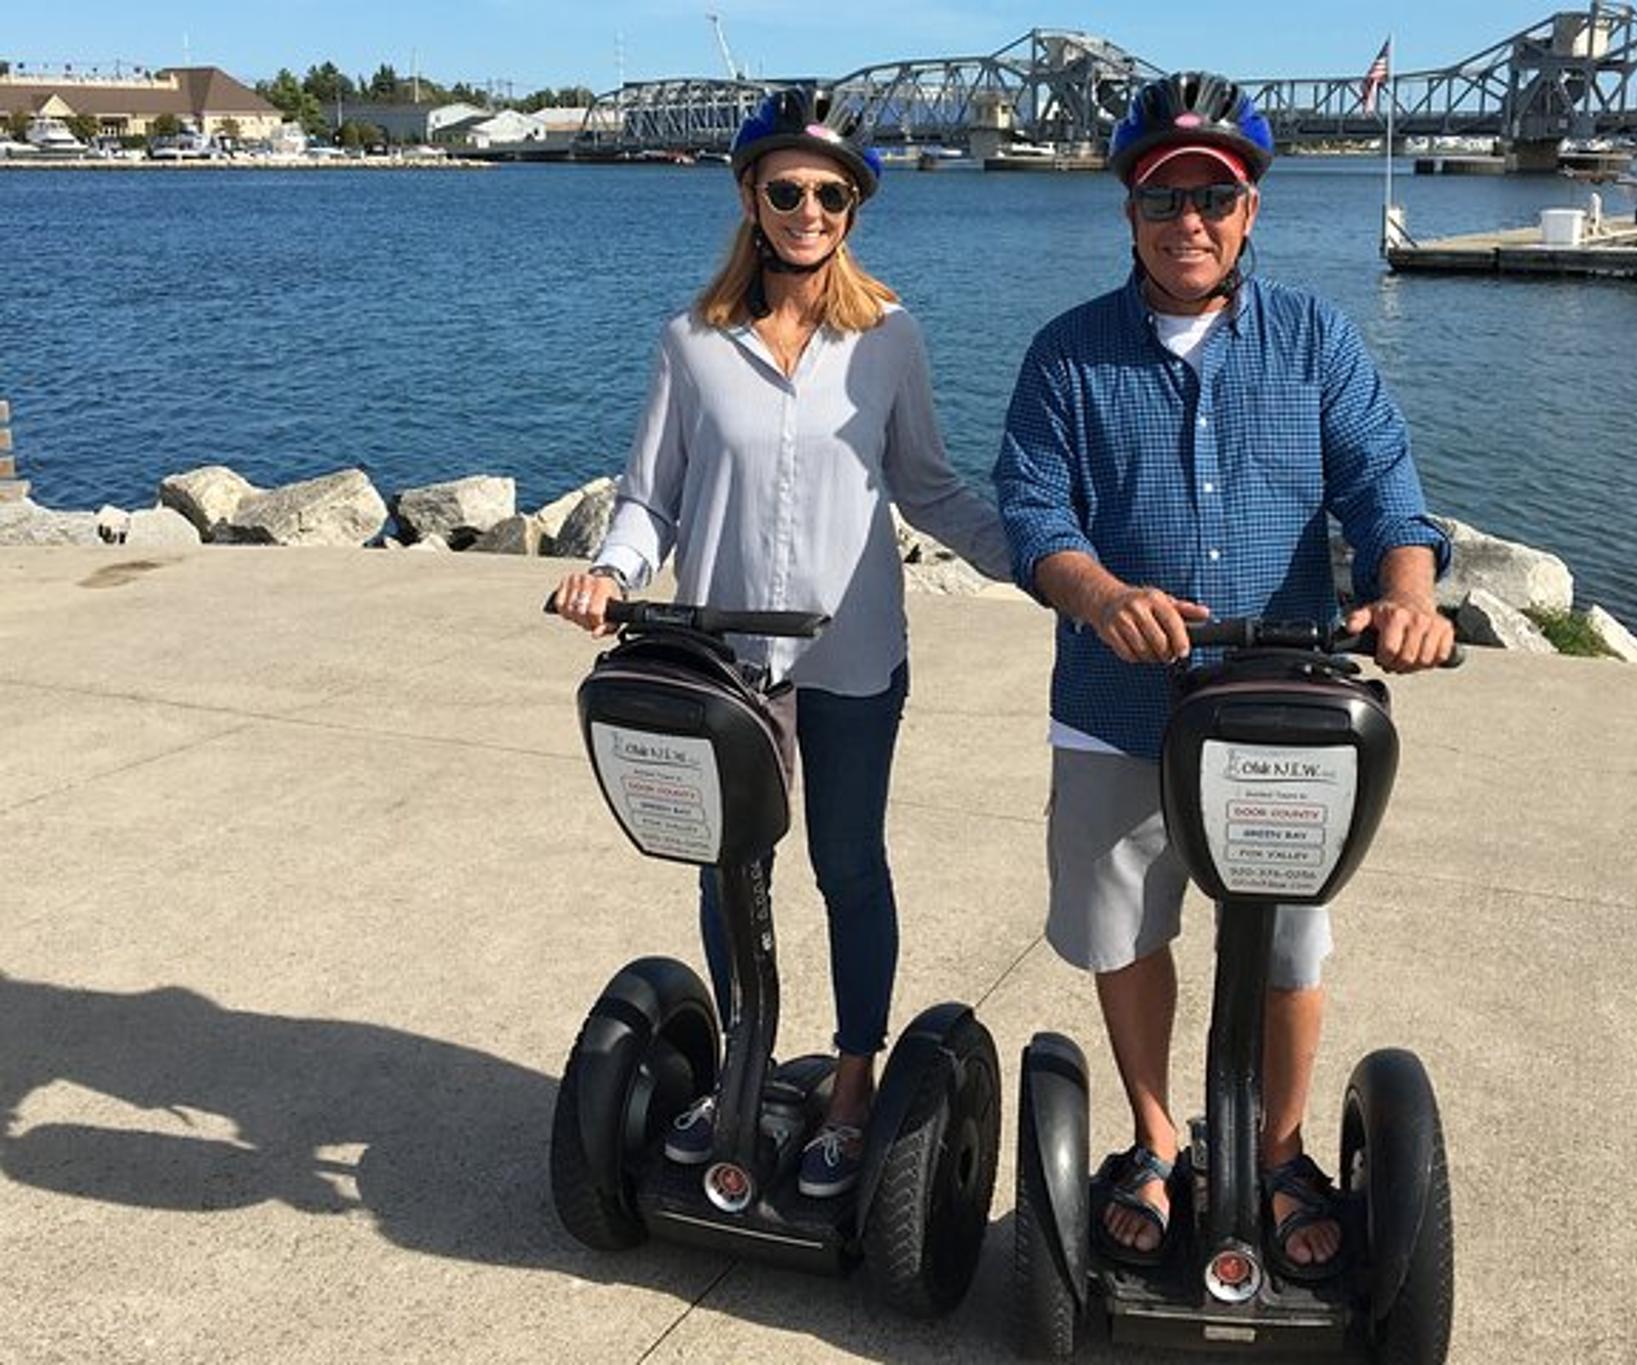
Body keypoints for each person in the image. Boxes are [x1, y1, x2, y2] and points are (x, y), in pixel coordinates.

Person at [993, 71, 1456, 1278]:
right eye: (1163, 198)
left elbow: (1382, 485)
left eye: (1213, 196)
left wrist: (1405, 596)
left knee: (1289, 943)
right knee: (1122, 928)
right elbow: (1033, 507)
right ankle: (1153, 1138)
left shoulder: (1314, 338)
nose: (1187, 220)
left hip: (1279, 705)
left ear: (1248, 212)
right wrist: (1100, 597)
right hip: (1116, 702)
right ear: (1128, 214)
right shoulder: (1066, 354)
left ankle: (1284, 1148)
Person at [553, 87, 1009, 1200]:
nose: (809, 209)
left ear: (852, 210)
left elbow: (928, 486)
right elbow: (649, 498)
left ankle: (853, 1082)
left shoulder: (888, 338)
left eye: (831, 193)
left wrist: (1043, 562)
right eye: (788, 189)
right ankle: (743, 1071)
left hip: (851, 653)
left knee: (848, 867)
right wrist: (610, 574)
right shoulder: (692, 344)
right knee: (731, 872)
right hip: (725, 667)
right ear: (749, 198)